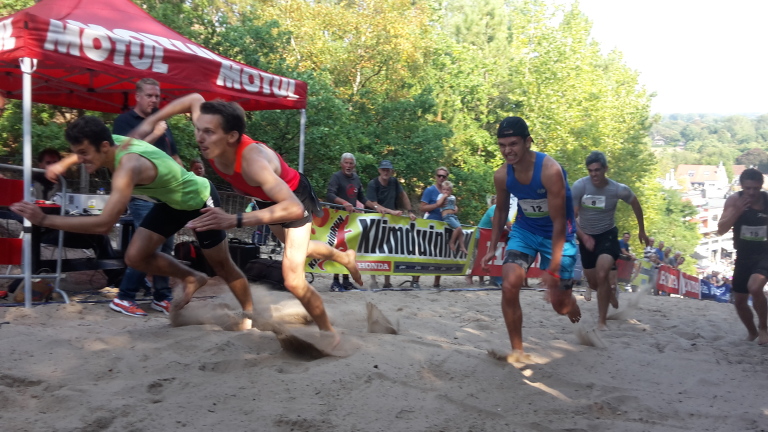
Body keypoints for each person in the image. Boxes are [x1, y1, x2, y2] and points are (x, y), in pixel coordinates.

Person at [131, 94, 364, 336]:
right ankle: (344, 257)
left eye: (208, 132)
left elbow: (292, 207)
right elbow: (195, 98)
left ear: (231, 136)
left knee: (293, 279)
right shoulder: (213, 127)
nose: (199, 138)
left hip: (293, 197)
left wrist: (234, 219)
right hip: (266, 198)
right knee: (299, 249)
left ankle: (329, 333)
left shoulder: (252, 162)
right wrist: (152, 121)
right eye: (198, 130)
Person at [11, 116, 253, 326]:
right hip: (171, 203)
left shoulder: (128, 166)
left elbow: (105, 225)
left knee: (221, 265)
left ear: (104, 146)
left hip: (199, 198)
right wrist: (65, 162)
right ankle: (192, 277)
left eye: (84, 153)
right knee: (135, 256)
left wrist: (44, 218)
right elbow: (86, 149)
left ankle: (249, 316)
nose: (81, 159)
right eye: (77, 153)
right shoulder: (113, 143)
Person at [481, 116, 581, 362]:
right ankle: (518, 351)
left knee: (560, 306)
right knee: (509, 284)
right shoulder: (502, 175)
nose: (507, 151)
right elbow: (501, 211)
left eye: (513, 144)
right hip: (525, 230)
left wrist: (554, 269)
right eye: (502, 145)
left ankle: (571, 302)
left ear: (528, 142)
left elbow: (559, 222)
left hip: (558, 234)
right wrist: (492, 247)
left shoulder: (550, 171)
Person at [110, 78, 182, 314]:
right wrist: (154, 134)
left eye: (157, 96)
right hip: (142, 194)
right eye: (150, 96)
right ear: (137, 97)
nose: (154, 100)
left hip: (166, 193)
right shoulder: (124, 122)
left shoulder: (162, 122)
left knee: (166, 246)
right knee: (148, 246)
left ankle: (161, 296)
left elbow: (174, 155)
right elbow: (124, 154)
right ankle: (124, 296)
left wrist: (184, 179)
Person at [571, 150, 649, 330]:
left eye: (597, 170)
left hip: (607, 235)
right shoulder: (580, 187)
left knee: (602, 272)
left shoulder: (617, 189)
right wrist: (582, 236)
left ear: (605, 169)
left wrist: (642, 230)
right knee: (593, 282)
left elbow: (635, 204)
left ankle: (601, 321)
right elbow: (571, 216)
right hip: (586, 236)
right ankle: (609, 294)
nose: (594, 174)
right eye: (590, 170)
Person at [717, 168, 768, 345]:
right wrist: (737, 212)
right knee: (739, 301)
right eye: (748, 188)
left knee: (755, 288)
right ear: (742, 187)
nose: (752, 193)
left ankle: (763, 327)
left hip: (764, 253)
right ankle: (752, 332)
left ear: (761, 186)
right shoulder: (734, 200)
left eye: (755, 188)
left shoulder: (767, 201)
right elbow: (720, 230)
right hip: (743, 254)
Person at [366, 160, 418, 289]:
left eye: (388, 170)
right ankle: (373, 280)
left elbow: (403, 195)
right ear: (379, 170)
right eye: (383, 169)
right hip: (376, 220)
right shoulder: (373, 184)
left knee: (389, 250)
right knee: (374, 250)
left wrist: (410, 211)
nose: (385, 172)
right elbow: (373, 203)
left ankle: (387, 281)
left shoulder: (394, 182)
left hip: (391, 221)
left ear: (391, 171)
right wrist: (391, 212)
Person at [326, 152, 372, 291]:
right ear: (341, 164)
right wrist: (344, 202)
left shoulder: (356, 178)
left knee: (349, 250)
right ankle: (335, 281)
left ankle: (346, 280)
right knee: (338, 249)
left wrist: (376, 207)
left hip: (351, 220)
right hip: (337, 218)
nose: (348, 165)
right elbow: (330, 194)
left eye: (351, 163)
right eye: (346, 163)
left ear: (354, 165)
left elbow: (362, 198)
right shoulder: (336, 177)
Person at [413, 166, 450, 289]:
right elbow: (422, 207)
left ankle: (436, 283)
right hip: (430, 224)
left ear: (446, 178)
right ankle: (416, 280)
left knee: (440, 254)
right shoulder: (430, 190)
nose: (441, 178)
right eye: (439, 175)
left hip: (443, 224)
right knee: (424, 253)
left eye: (443, 176)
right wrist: (437, 205)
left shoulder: (448, 191)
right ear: (435, 176)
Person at [438, 181, 468, 254]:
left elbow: (453, 205)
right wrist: (444, 196)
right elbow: (438, 203)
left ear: (451, 191)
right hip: (446, 216)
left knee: (460, 230)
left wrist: (456, 208)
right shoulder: (440, 196)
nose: (445, 191)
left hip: (453, 215)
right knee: (458, 228)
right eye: (444, 189)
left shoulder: (453, 197)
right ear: (441, 190)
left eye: (447, 190)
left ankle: (462, 246)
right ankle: (451, 242)